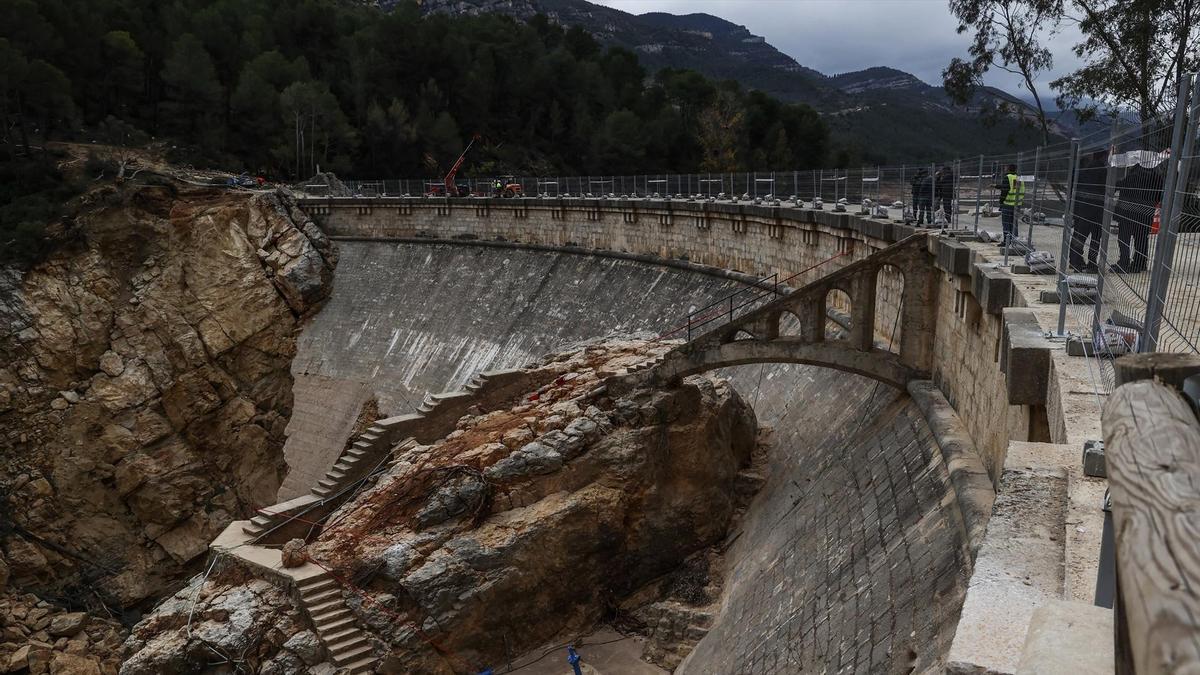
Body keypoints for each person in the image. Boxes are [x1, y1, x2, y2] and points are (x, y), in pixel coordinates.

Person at [1114, 163, 1164, 273]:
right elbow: (1159, 195)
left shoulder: (1133, 175)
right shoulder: (1157, 178)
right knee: (1141, 239)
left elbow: (1120, 186)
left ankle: (1124, 262)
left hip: (1128, 212)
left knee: (1124, 237)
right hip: (1145, 213)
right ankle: (1139, 263)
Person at [1070, 150, 1108, 272]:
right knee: (1096, 238)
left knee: (1080, 236)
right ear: (1103, 157)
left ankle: (1076, 262)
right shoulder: (1103, 170)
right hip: (1097, 210)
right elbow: (1106, 188)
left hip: (1083, 208)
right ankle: (1092, 263)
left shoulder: (1083, 171)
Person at [995, 164, 1023, 245]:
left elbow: (1005, 190)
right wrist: (996, 186)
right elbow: (1013, 188)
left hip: (1008, 204)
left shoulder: (1007, 177)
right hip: (1017, 204)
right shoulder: (1018, 177)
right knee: (1014, 223)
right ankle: (1014, 241)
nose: (1004, 169)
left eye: (1005, 168)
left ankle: (1006, 241)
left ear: (1008, 169)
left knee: (1006, 223)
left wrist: (1001, 202)